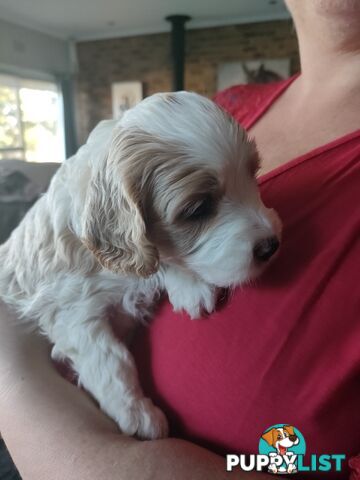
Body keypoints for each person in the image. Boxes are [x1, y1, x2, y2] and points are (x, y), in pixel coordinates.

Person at [0, 0, 359, 478]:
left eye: (254, 176)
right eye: (198, 209)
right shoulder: (228, 106)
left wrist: (12, 378)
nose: (264, 221)